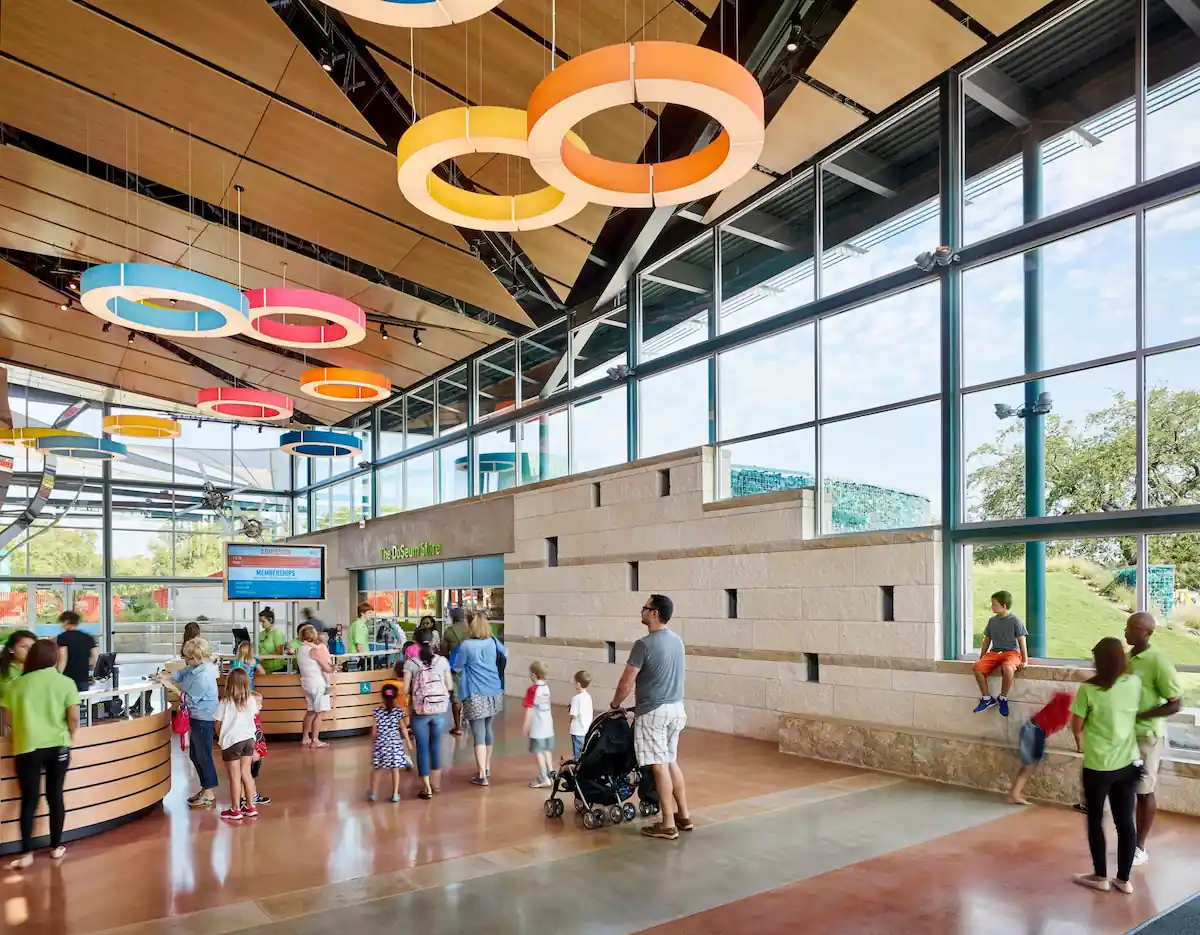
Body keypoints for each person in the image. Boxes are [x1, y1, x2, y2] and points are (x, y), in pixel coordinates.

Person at [611, 594, 691, 841]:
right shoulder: (677, 641)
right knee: (670, 760)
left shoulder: (643, 644)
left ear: (654, 613)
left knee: (658, 766)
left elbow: (626, 681)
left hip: (653, 712)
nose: (641, 611)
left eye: (645, 607)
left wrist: (615, 705)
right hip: (677, 709)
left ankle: (667, 824)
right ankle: (684, 816)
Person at [1071, 636, 1143, 895]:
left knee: (1095, 819)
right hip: (1129, 762)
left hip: (1098, 766)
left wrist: (1080, 742)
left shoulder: (1088, 690)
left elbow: (1076, 726)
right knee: (1125, 821)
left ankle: (1100, 875)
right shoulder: (1134, 683)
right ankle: (1124, 880)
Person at [2, 639, 79, 868]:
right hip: (58, 746)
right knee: (55, 796)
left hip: (27, 747)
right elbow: (73, 718)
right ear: (55, 658)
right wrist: (69, 737)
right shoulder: (65, 682)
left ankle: (26, 852)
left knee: (29, 800)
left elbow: (7, 720)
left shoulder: (16, 685)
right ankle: (56, 847)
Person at [1125, 611, 1182, 867]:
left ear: (1147, 632)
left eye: (1133, 627)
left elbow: (1175, 704)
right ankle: (1127, 840)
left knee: (1144, 790)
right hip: (1123, 736)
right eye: (1127, 626)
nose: (1127, 631)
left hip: (1147, 736)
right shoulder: (1125, 660)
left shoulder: (1158, 661)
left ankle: (1140, 847)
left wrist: (1140, 715)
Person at [157, 637, 220, 809]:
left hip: (203, 719)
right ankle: (206, 788)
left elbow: (190, 699)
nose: (185, 660)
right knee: (195, 754)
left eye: (187, 657)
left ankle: (209, 792)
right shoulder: (197, 668)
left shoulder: (204, 676)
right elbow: (183, 673)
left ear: (197, 657)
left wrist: (172, 688)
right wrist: (167, 675)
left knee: (202, 755)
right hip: (196, 717)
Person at [452, 611, 507, 786]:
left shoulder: (466, 645)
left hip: (475, 693)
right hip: (494, 690)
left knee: (478, 734)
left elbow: (458, 667)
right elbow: (505, 654)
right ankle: (487, 766)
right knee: (488, 728)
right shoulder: (492, 641)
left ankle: (482, 774)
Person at [404, 629, 452, 800]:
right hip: (439, 709)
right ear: (432, 641)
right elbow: (450, 686)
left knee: (422, 748)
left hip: (420, 710)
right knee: (435, 746)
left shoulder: (411, 663)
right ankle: (436, 783)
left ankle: (426, 788)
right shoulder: (443, 661)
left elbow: (404, 689)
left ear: (415, 641)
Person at [1008, 690, 1074, 804]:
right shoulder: (1067, 706)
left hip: (1034, 730)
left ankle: (1014, 793)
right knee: (1030, 765)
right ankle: (1015, 794)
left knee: (1030, 764)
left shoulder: (1061, 708)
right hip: (1034, 731)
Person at [214, 667, 261, 821]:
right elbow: (253, 717)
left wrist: (221, 739)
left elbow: (218, 724)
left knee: (234, 776)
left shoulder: (225, 702)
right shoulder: (251, 701)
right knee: (246, 773)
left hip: (232, 741)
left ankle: (235, 809)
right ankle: (250, 806)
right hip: (249, 740)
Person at [972, 590, 1028, 716]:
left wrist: (1025, 660)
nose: (992, 606)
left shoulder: (1015, 621)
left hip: (1011, 653)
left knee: (1008, 669)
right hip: (995, 653)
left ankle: (1003, 698)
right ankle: (986, 699)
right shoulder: (992, 621)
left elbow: (1021, 640)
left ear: (1004, 606)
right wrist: (982, 657)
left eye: (994, 604)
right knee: (977, 668)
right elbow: (987, 639)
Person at [368, 683, 410, 803]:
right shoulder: (398, 711)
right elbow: (403, 728)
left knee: (377, 770)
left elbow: (374, 731)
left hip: (381, 744)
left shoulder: (377, 711)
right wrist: (408, 742)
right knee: (395, 770)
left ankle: (373, 794)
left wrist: (373, 744)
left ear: (382, 696)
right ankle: (395, 794)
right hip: (394, 744)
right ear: (396, 697)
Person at [297, 624, 333, 748]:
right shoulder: (314, 651)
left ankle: (305, 737)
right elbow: (327, 668)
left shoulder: (301, 649)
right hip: (317, 683)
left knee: (311, 711)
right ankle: (315, 740)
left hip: (306, 683)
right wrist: (333, 667)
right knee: (320, 712)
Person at [523, 661, 555, 788]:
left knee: (538, 751)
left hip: (538, 726)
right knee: (547, 750)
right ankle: (551, 773)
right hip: (548, 724)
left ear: (534, 675)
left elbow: (529, 710)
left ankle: (543, 777)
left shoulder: (532, 690)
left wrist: (526, 726)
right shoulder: (546, 688)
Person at [442, 608, 470, 735]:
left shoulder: (449, 632)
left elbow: (444, 652)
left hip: (455, 668)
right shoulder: (471, 630)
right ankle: (470, 722)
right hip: (470, 667)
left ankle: (457, 726)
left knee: (456, 697)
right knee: (469, 695)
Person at [56, 610, 97, 694]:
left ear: (66, 621)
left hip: (67, 678)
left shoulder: (63, 637)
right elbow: (95, 658)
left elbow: (63, 659)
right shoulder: (88, 637)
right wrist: (95, 674)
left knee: (68, 704)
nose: (61, 625)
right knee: (81, 703)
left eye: (62, 622)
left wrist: (57, 675)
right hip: (83, 677)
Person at [0, 629, 36, 711]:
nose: (29, 651)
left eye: (33, 647)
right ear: (11, 649)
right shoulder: (3, 669)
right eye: (24, 646)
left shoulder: (42, 670)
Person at [569, 670, 594, 760]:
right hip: (586, 729)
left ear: (578, 684)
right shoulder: (588, 697)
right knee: (585, 751)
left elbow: (573, 714)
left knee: (577, 753)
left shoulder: (576, 698)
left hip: (577, 729)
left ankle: (577, 768)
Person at [257, 608, 286, 674]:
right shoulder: (260, 634)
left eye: (263, 621)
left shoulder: (277, 633)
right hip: (262, 669)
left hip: (276, 670)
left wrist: (263, 657)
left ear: (270, 620)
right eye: (260, 621)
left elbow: (279, 652)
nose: (261, 624)